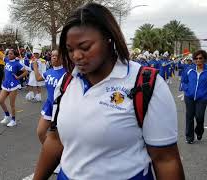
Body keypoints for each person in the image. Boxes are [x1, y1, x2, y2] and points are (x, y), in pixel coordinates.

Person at [34, 3, 185, 180]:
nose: (76, 56)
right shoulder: (66, 82)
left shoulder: (146, 84)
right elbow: (55, 139)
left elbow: (166, 160)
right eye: (70, 49)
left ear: (109, 39)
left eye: (85, 47)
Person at [181, 50, 207, 144]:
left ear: (204, 59)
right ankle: (189, 137)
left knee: (200, 117)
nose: (198, 60)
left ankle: (199, 132)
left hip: (202, 98)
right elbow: (183, 81)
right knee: (189, 116)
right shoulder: (189, 69)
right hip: (189, 97)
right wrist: (186, 89)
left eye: (200, 58)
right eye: (196, 58)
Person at [0, 49, 28, 127]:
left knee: (12, 104)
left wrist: (18, 77)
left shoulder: (17, 63)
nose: (9, 55)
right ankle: (7, 116)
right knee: (1, 101)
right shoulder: (6, 60)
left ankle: (13, 120)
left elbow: (26, 72)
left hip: (13, 85)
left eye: (11, 54)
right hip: (5, 84)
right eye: (8, 53)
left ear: (15, 55)